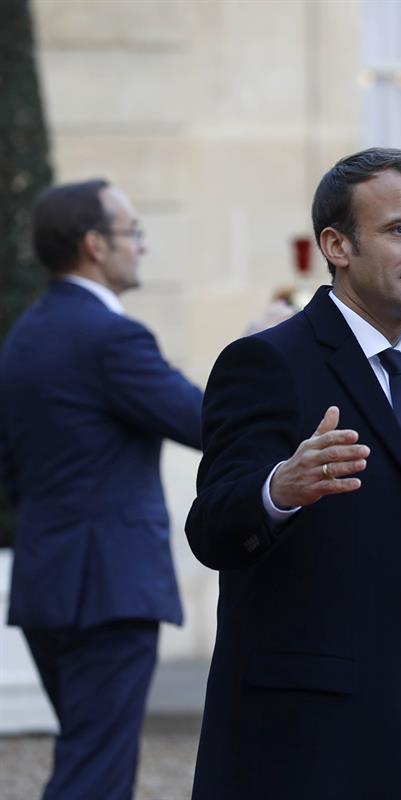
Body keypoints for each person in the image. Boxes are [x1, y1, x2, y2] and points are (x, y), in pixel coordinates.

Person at [186, 148, 401, 799]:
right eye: (400, 230)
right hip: (307, 749)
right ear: (337, 245)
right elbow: (211, 528)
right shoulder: (269, 361)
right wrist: (279, 489)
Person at [0, 179, 203, 799]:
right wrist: (266, 347)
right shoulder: (111, 337)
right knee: (96, 774)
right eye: (131, 232)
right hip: (108, 590)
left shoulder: (26, 334)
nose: (140, 247)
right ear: (94, 244)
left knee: (86, 756)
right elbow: (207, 422)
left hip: (48, 580)